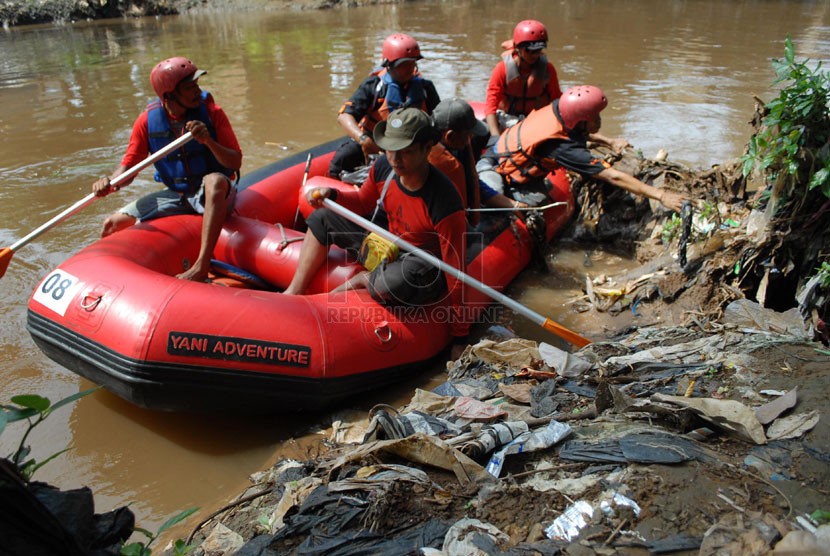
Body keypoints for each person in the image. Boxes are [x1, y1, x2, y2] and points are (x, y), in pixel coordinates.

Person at [286, 107, 469, 360]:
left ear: (427, 148)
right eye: (391, 149)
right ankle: (293, 292)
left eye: (406, 151)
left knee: (390, 284)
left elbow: (455, 270)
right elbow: (363, 202)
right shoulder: (384, 167)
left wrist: (460, 337)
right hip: (386, 241)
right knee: (321, 218)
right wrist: (334, 196)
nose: (396, 159)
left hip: (422, 261)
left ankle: (366, 280)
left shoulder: (445, 200)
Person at [92, 56, 242, 282]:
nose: (197, 91)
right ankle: (104, 280)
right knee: (111, 225)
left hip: (213, 192)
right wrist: (109, 184)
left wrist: (208, 141)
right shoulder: (147, 122)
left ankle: (201, 265)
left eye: (196, 85)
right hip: (177, 194)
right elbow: (128, 169)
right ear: (169, 95)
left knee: (214, 181)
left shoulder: (212, 113)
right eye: (189, 87)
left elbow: (235, 162)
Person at [489, 85, 689, 212]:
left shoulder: (560, 110)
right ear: (580, 121)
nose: (600, 120)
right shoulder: (563, 148)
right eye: (595, 117)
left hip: (504, 149)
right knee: (539, 202)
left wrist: (609, 141)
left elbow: (578, 133)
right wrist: (661, 196)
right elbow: (612, 176)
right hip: (503, 171)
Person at [329, 33, 441, 179]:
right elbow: (344, 115)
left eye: (413, 63)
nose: (410, 68)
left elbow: (438, 121)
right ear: (389, 65)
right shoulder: (373, 86)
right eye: (404, 64)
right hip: (377, 143)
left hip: (411, 146)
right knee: (342, 159)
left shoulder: (425, 88)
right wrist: (363, 139)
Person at [428, 97, 529, 225]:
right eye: (468, 134)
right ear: (450, 136)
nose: (471, 138)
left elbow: (473, 184)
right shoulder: (427, 164)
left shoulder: (456, 147)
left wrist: (512, 204)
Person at [484, 19, 563, 138]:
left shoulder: (548, 69)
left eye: (538, 51)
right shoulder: (502, 69)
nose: (534, 55)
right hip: (507, 119)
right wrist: (495, 137)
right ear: (517, 48)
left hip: (536, 122)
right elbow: (491, 105)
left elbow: (557, 99)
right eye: (529, 51)